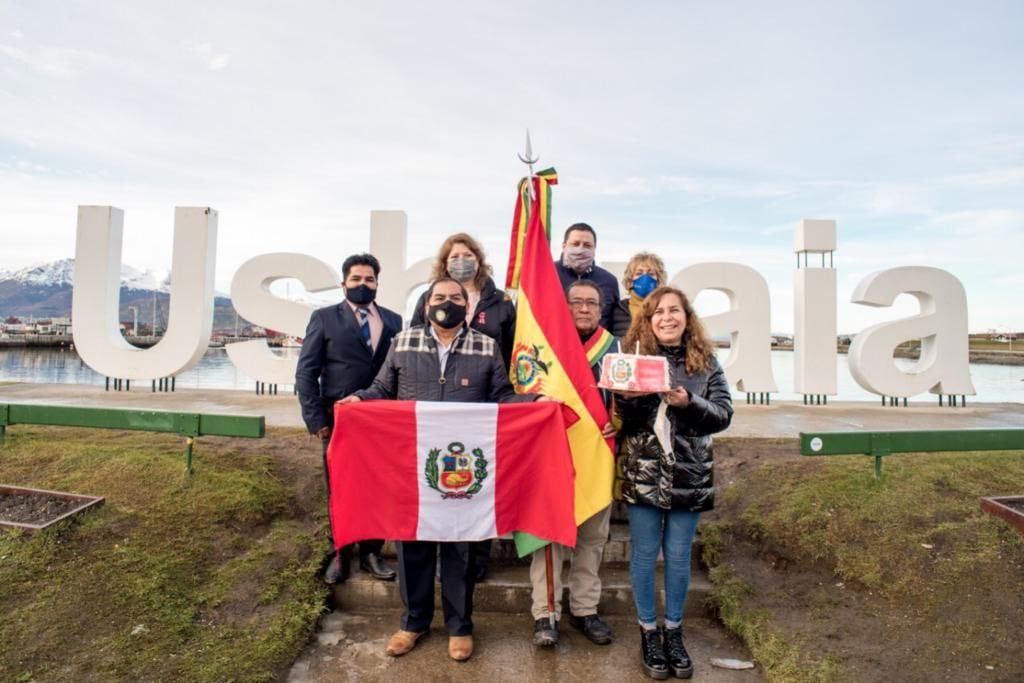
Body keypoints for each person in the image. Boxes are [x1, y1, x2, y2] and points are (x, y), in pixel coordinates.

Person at [341, 278, 543, 662]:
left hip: (463, 470)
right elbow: (382, 389)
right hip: (413, 466)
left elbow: (501, 396)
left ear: (468, 307)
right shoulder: (404, 341)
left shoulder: (486, 346)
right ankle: (413, 622)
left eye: (455, 298)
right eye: (439, 297)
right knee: (411, 546)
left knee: (461, 551)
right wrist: (358, 399)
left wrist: (535, 401)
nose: (446, 303)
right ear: (426, 302)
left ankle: (460, 626)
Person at [613, 286, 733, 680]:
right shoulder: (634, 359)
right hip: (644, 470)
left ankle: (675, 631)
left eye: (674, 310)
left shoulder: (708, 363)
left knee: (679, 556)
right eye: (658, 312)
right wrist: (629, 398)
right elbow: (627, 424)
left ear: (687, 317)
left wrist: (689, 403)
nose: (667, 317)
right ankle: (649, 632)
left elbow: (722, 415)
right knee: (646, 554)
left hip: (689, 473)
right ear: (647, 321)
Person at [410, 233, 517, 581]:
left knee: (479, 483)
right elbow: (414, 346)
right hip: (436, 408)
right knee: (439, 483)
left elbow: (515, 350)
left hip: (484, 405)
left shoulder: (499, 300)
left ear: (478, 258)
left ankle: (477, 561)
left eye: (467, 254)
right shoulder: (429, 297)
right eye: (454, 255)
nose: (461, 260)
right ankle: (440, 556)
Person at [295, 253, 400, 584]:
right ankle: (341, 552)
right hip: (336, 420)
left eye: (369, 280)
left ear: (377, 284)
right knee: (339, 487)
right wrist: (315, 420)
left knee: (377, 487)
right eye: (356, 279)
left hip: (381, 421)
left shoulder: (395, 321)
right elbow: (305, 374)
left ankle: (371, 552)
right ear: (344, 284)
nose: (362, 285)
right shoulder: (324, 318)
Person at [530, 280, 618, 648]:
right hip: (553, 451)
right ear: (564, 306)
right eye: (576, 302)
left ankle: (584, 610)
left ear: (600, 309)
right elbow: (522, 387)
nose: (584, 308)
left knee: (592, 538)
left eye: (591, 303)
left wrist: (622, 417)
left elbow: (624, 394)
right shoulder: (544, 345)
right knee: (548, 537)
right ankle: (545, 612)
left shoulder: (613, 348)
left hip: (598, 452)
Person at [554, 222, 620, 331]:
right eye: (575, 244)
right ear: (564, 246)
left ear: (594, 249)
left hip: (597, 346)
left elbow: (613, 323)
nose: (580, 249)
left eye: (587, 245)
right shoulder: (547, 274)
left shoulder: (609, 281)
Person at [610, 252, 668, 338]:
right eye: (639, 273)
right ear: (631, 280)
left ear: (658, 280)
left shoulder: (667, 308)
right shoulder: (617, 309)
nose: (645, 278)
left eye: (651, 274)